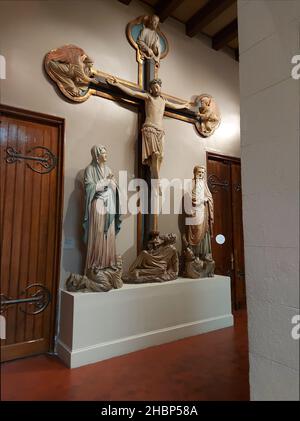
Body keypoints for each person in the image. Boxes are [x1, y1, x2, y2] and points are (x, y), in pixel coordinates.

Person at [106, 77, 191, 181]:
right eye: (154, 88)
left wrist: (184, 105)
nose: (156, 89)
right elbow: (133, 93)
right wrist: (118, 84)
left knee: (161, 156)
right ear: (151, 89)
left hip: (161, 131)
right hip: (150, 128)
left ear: (160, 88)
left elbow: (174, 106)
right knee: (155, 154)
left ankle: (155, 177)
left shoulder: (163, 101)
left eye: (158, 87)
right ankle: (157, 180)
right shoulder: (148, 97)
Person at [83, 145, 121, 274]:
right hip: (97, 204)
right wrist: (106, 181)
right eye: (103, 154)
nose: (106, 155)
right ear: (97, 156)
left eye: (106, 153)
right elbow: (89, 188)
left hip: (109, 204)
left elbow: (115, 187)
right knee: (98, 233)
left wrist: (113, 184)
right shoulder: (90, 170)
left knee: (109, 234)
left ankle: (108, 263)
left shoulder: (109, 169)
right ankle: (96, 264)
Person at [184, 165, 214, 261]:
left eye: (202, 173)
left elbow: (209, 197)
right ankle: (195, 255)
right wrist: (198, 200)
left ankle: (204, 254)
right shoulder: (191, 184)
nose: (201, 174)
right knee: (195, 232)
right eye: (199, 172)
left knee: (205, 232)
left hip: (204, 212)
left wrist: (207, 200)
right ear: (195, 173)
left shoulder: (204, 184)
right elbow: (188, 198)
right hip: (195, 213)